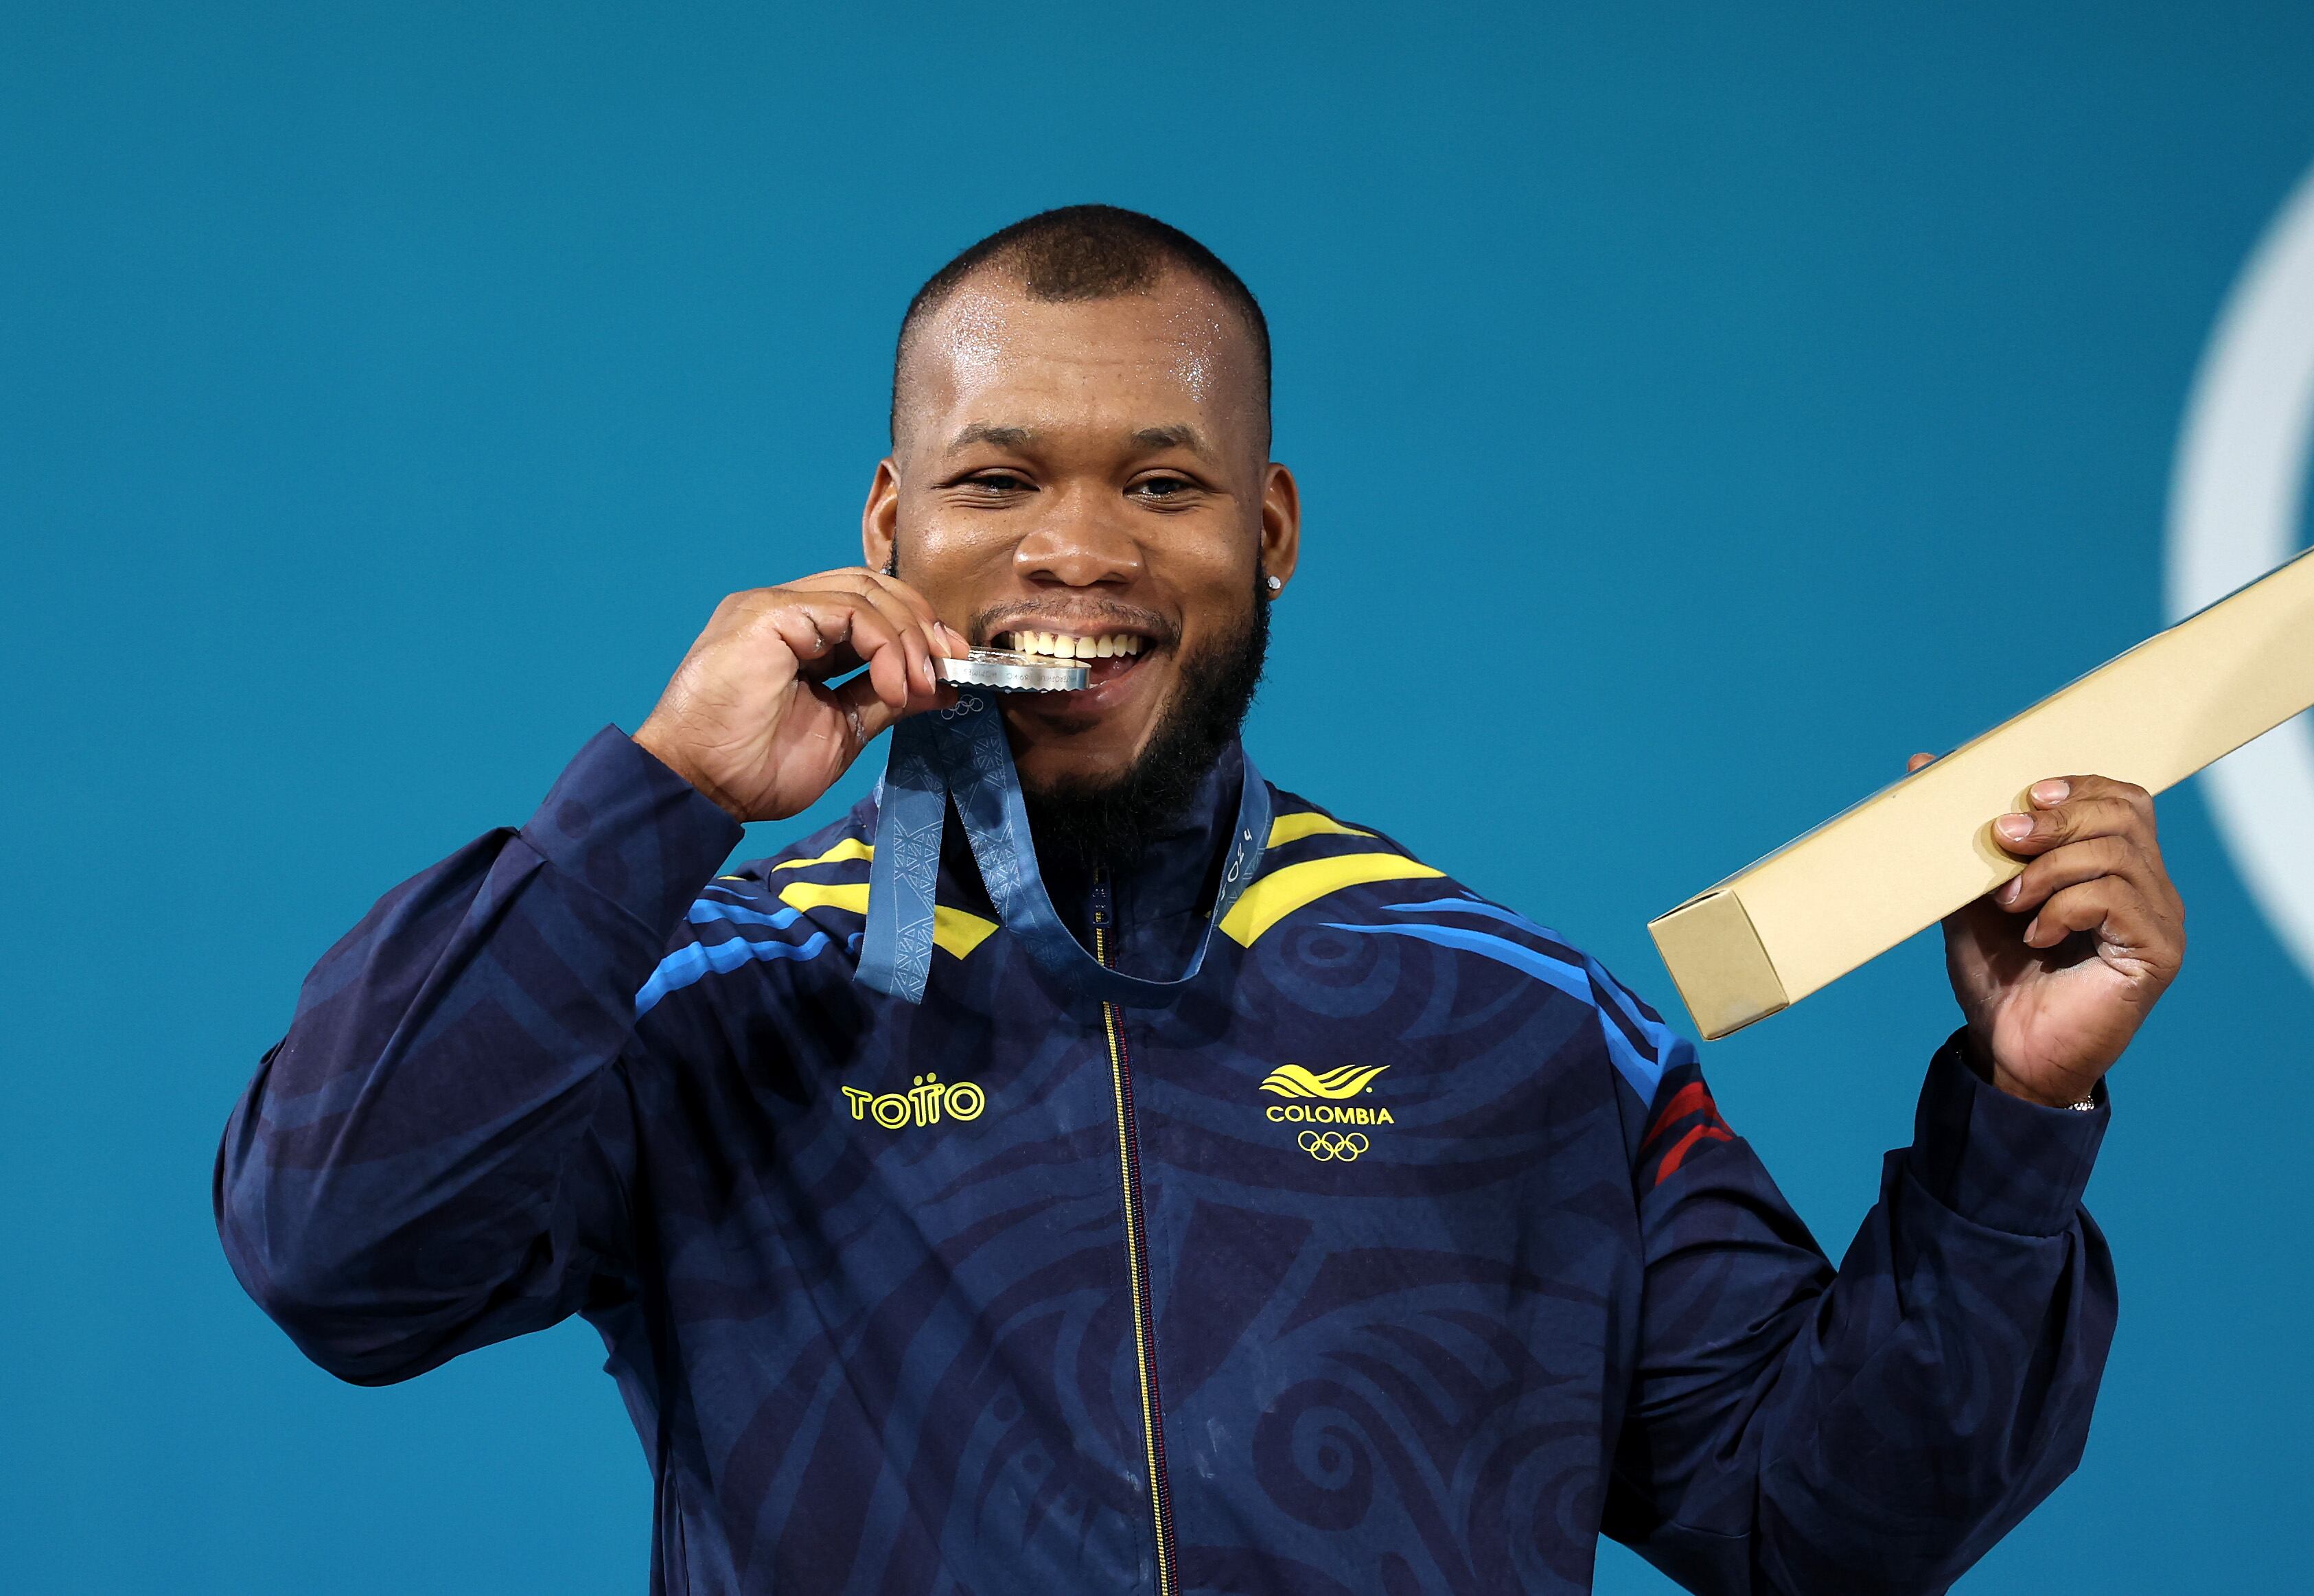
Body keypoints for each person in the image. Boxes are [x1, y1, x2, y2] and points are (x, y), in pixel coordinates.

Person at [216, 206, 2184, 1595]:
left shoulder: (1505, 1018)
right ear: (888, 532)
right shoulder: (724, 994)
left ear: (1271, 530)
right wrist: (648, 804)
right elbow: (335, 1251)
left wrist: (2017, 1119)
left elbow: (1824, 1533)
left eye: (1160, 487)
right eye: (995, 484)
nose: (1075, 551)